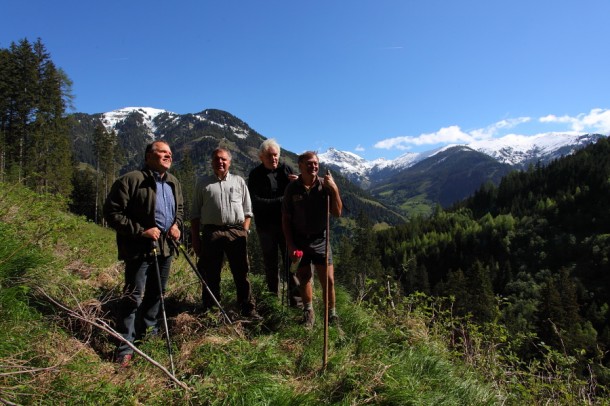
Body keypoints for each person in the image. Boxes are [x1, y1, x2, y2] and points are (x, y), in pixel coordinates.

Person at [103, 140, 184, 367]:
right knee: (133, 297)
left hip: (165, 248)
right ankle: (124, 346)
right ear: (149, 155)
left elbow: (179, 210)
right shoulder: (131, 180)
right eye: (163, 152)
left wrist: (176, 225)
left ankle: (148, 334)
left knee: (157, 294)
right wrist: (141, 231)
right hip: (139, 249)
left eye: (170, 153)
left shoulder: (173, 182)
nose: (168, 156)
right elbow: (112, 212)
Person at [190, 147, 261, 320]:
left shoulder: (239, 182)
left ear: (229, 162)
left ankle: (247, 309)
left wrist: (244, 231)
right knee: (210, 273)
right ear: (212, 162)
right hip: (211, 232)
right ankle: (210, 309)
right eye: (216, 159)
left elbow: (248, 210)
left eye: (223, 159)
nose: (220, 162)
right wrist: (195, 240)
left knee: (241, 273)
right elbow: (194, 214)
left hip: (236, 232)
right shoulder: (203, 183)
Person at [282, 151, 343, 328]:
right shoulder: (292, 189)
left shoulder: (325, 185)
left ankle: (331, 315)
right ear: (300, 166)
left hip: (321, 240)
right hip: (300, 240)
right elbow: (285, 218)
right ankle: (309, 312)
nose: (313, 166)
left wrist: (335, 189)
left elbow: (338, 213)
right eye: (309, 163)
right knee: (304, 277)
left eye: (316, 163)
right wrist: (291, 244)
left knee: (329, 281)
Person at [248, 139, 301, 307]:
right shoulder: (255, 175)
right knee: (271, 267)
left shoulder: (287, 170)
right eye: (269, 156)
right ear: (261, 157)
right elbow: (256, 202)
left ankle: (296, 305)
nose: (273, 158)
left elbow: (296, 197)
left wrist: (297, 184)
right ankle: (273, 304)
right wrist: (281, 200)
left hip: (288, 227)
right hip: (266, 228)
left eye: (275, 155)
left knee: (292, 266)